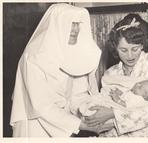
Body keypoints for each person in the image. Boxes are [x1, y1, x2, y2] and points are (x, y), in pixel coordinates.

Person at [10, 3, 114, 137]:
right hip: (35, 126)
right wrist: (80, 125)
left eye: (77, 24)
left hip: (64, 125)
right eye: (71, 23)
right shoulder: (33, 57)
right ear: (56, 25)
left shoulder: (74, 53)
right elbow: (41, 106)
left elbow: (78, 95)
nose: (75, 29)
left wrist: (91, 110)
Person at [83, 13, 148, 137]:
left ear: (142, 45)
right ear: (115, 48)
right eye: (123, 50)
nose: (130, 56)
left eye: (135, 49)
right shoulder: (110, 73)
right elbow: (104, 104)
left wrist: (113, 113)